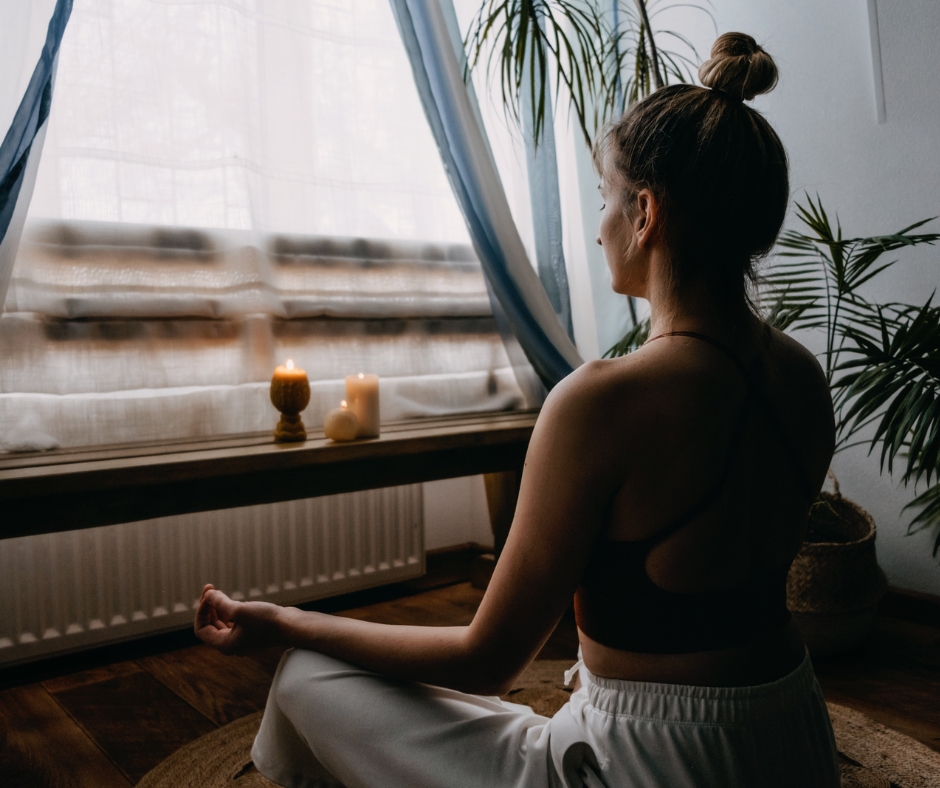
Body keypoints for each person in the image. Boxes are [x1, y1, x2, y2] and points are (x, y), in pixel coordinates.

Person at [195, 32, 841, 788]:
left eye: (605, 198)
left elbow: (485, 662)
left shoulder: (602, 402)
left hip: (656, 766)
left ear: (645, 214)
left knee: (308, 675)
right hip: (794, 740)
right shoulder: (802, 376)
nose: (599, 224)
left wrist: (283, 623)